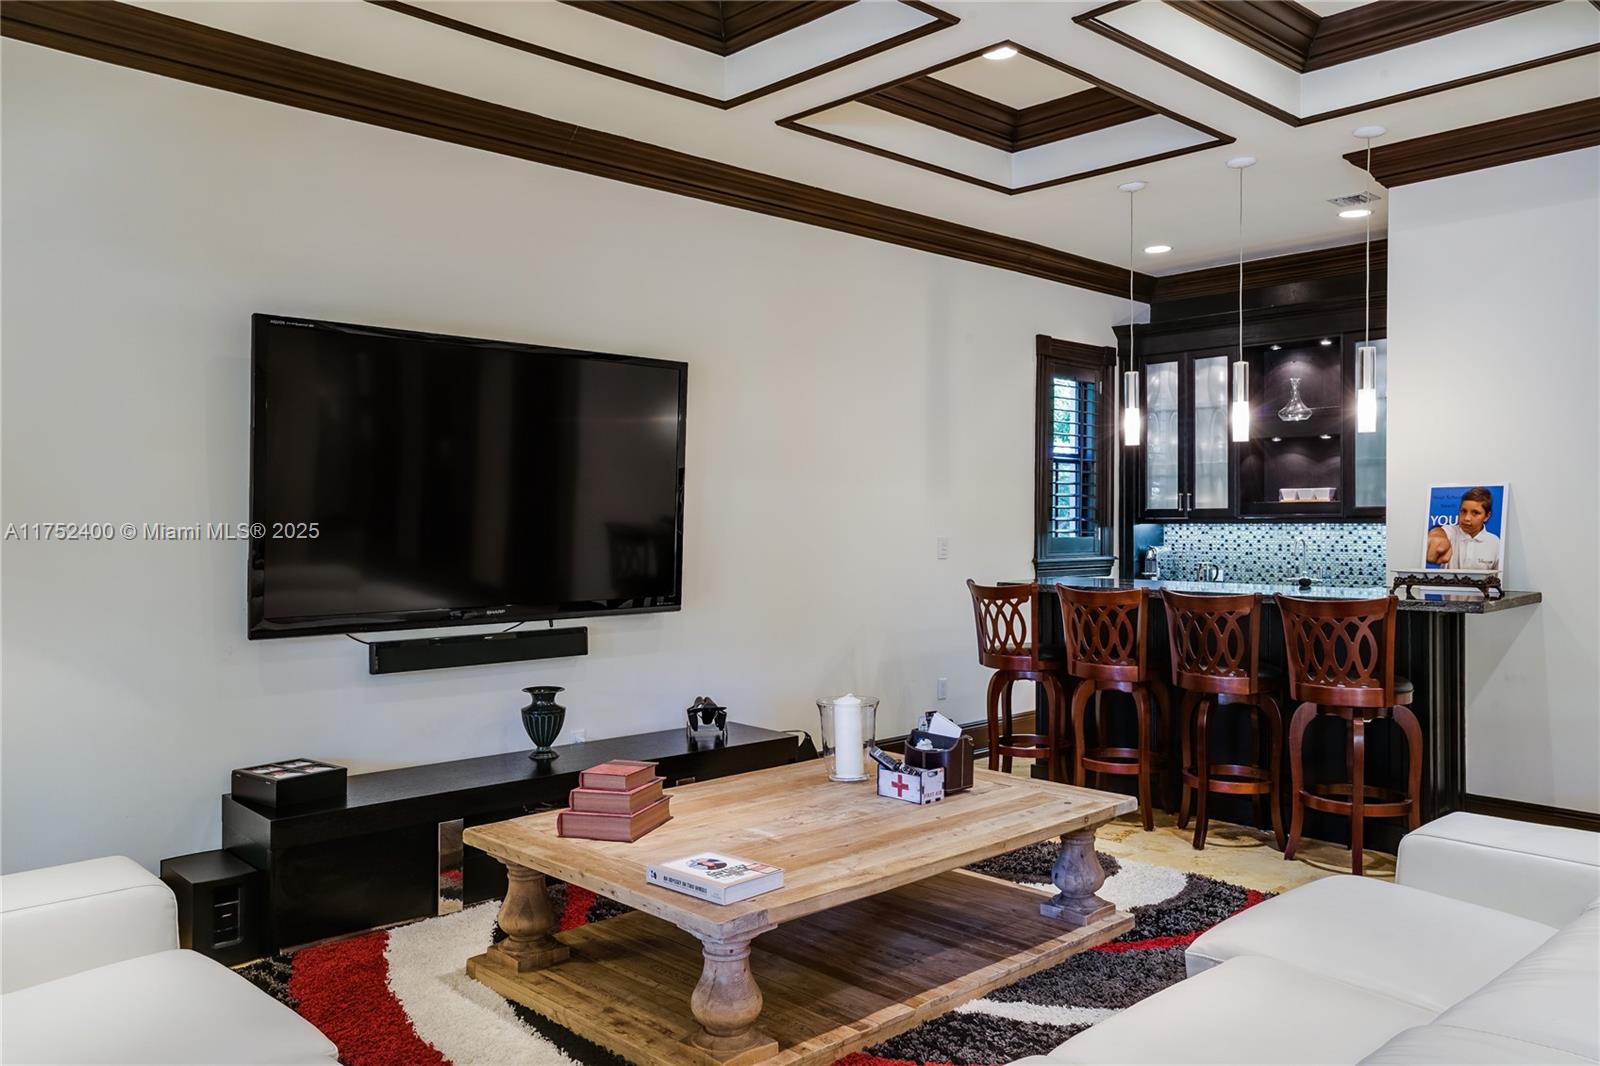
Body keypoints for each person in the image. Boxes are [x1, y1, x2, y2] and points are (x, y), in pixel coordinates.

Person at [1426, 486, 1501, 570]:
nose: (1466, 518)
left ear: (1487, 516)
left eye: (1475, 513)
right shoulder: (1451, 532)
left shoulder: (1495, 542)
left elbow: (1499, 576)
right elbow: (1440, 532)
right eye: (1463, 511)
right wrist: (1437, 535)